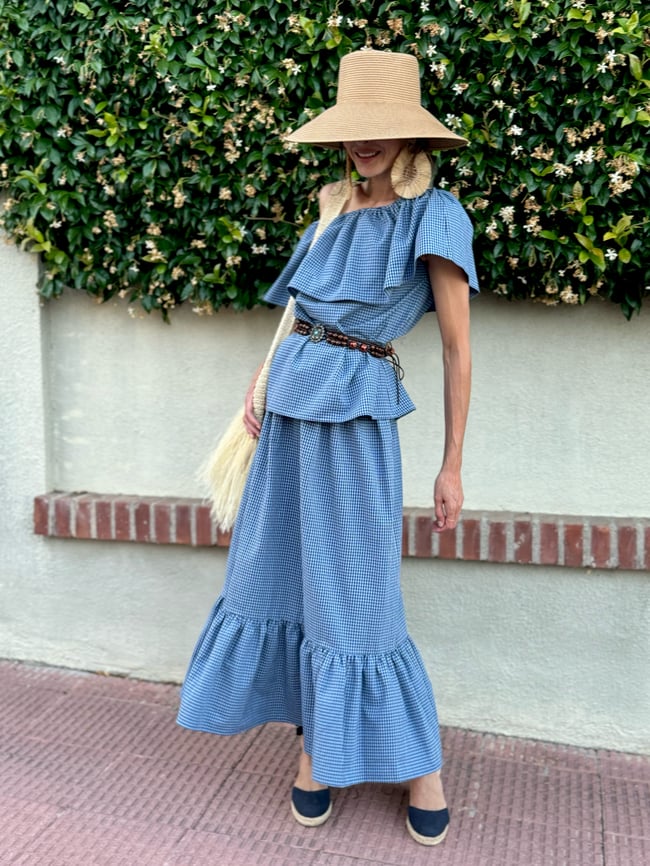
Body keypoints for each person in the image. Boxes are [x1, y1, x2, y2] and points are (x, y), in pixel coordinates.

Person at [177, 48, 478, 846]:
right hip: (286, 412)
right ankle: (318, 752)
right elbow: (299, 318)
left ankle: (421, 766)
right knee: (285, 580)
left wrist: (451, 463)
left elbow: (456, 349)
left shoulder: (435, 215)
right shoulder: (331, 207)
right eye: (353, 132)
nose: (363, 145)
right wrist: (257, 384)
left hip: (356, 420)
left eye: (378, 131)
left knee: (360, 594)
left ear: (410, 135)